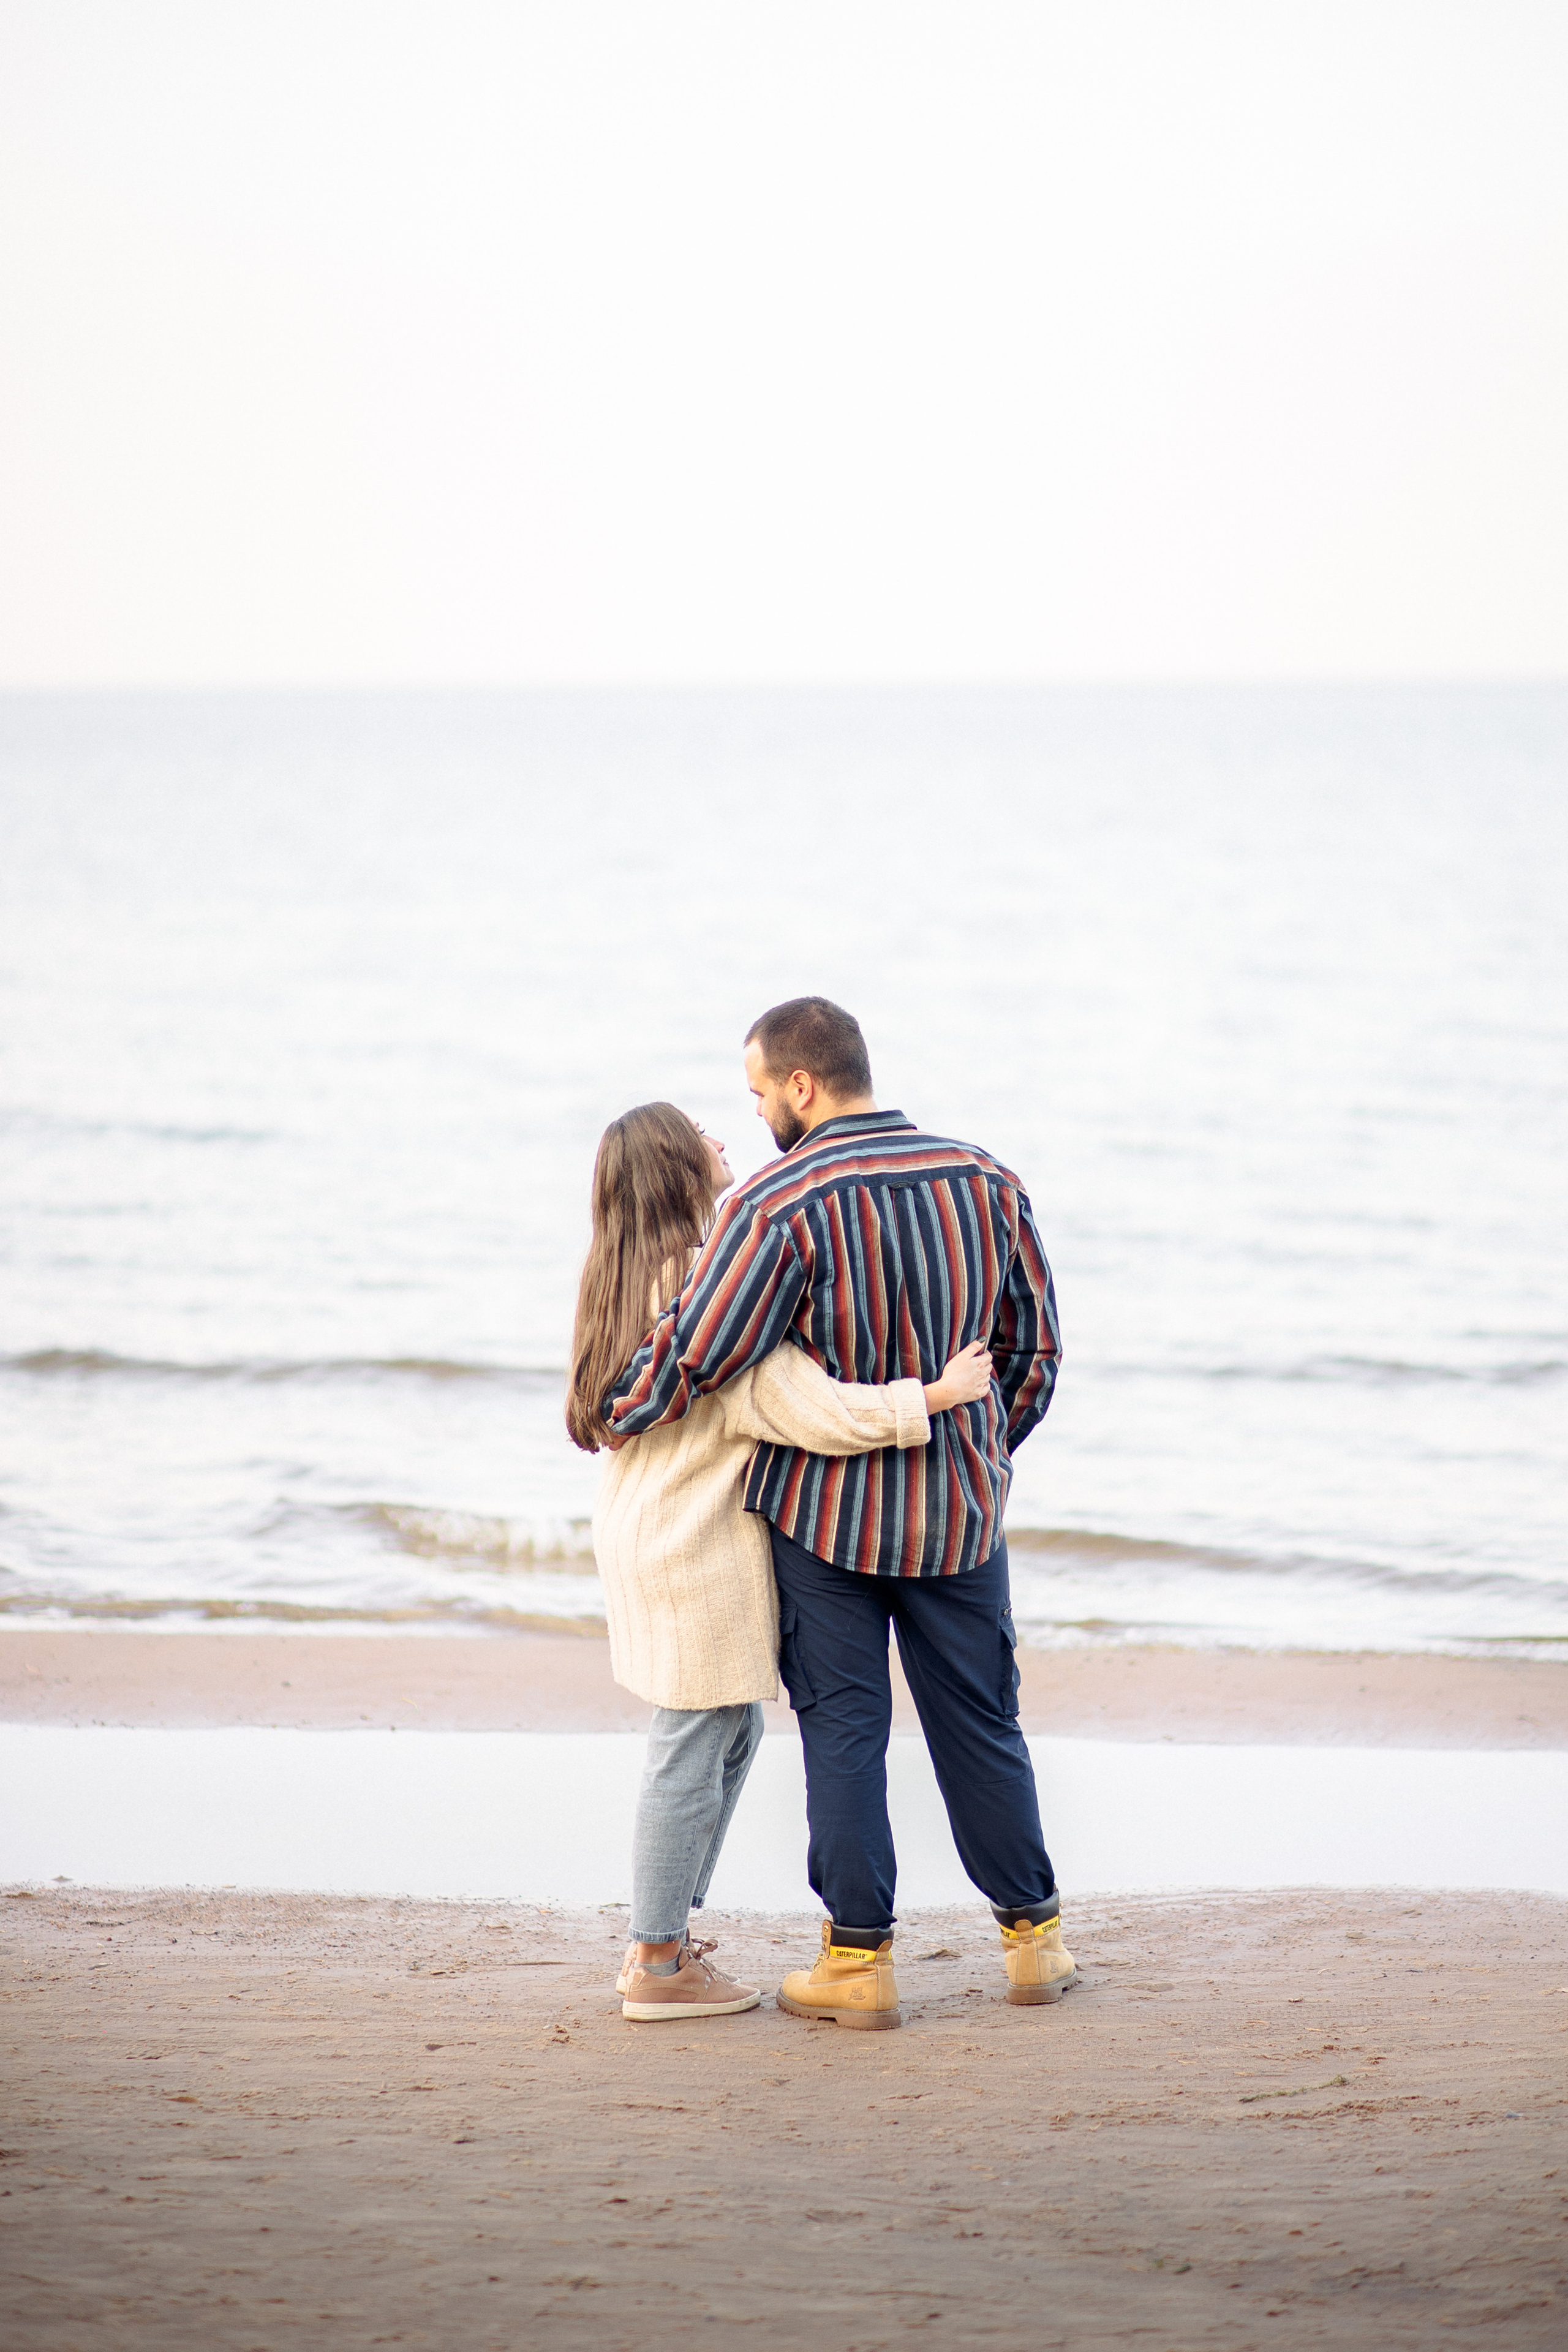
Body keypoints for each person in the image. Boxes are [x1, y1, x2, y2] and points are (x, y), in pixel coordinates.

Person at [604, 998, 1074, 2031]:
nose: (761, 1110)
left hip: (825, 1526)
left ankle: (858, 1966)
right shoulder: (987, 1179)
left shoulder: (777, 1205)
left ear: (803, 1085)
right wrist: (980, 1456)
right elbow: (1032, 1352)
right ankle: (1034, 1943)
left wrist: (616, 1407)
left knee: (845, 1733)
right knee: (983, 1723)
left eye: (761, 1091)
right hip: (959, 1517)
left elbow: (705, 1349)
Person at [565, 1098, 993, 2024]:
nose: (726, 1140)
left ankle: (667, 1938)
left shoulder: (623, 1276)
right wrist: (935, 1395)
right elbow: (800, 1406)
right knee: (693, 1740)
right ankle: (656, 1959)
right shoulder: (705, 1286)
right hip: (694, 1541)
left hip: (647, 1527)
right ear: (680, 1170)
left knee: (726, 1731)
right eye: (703, 1136)